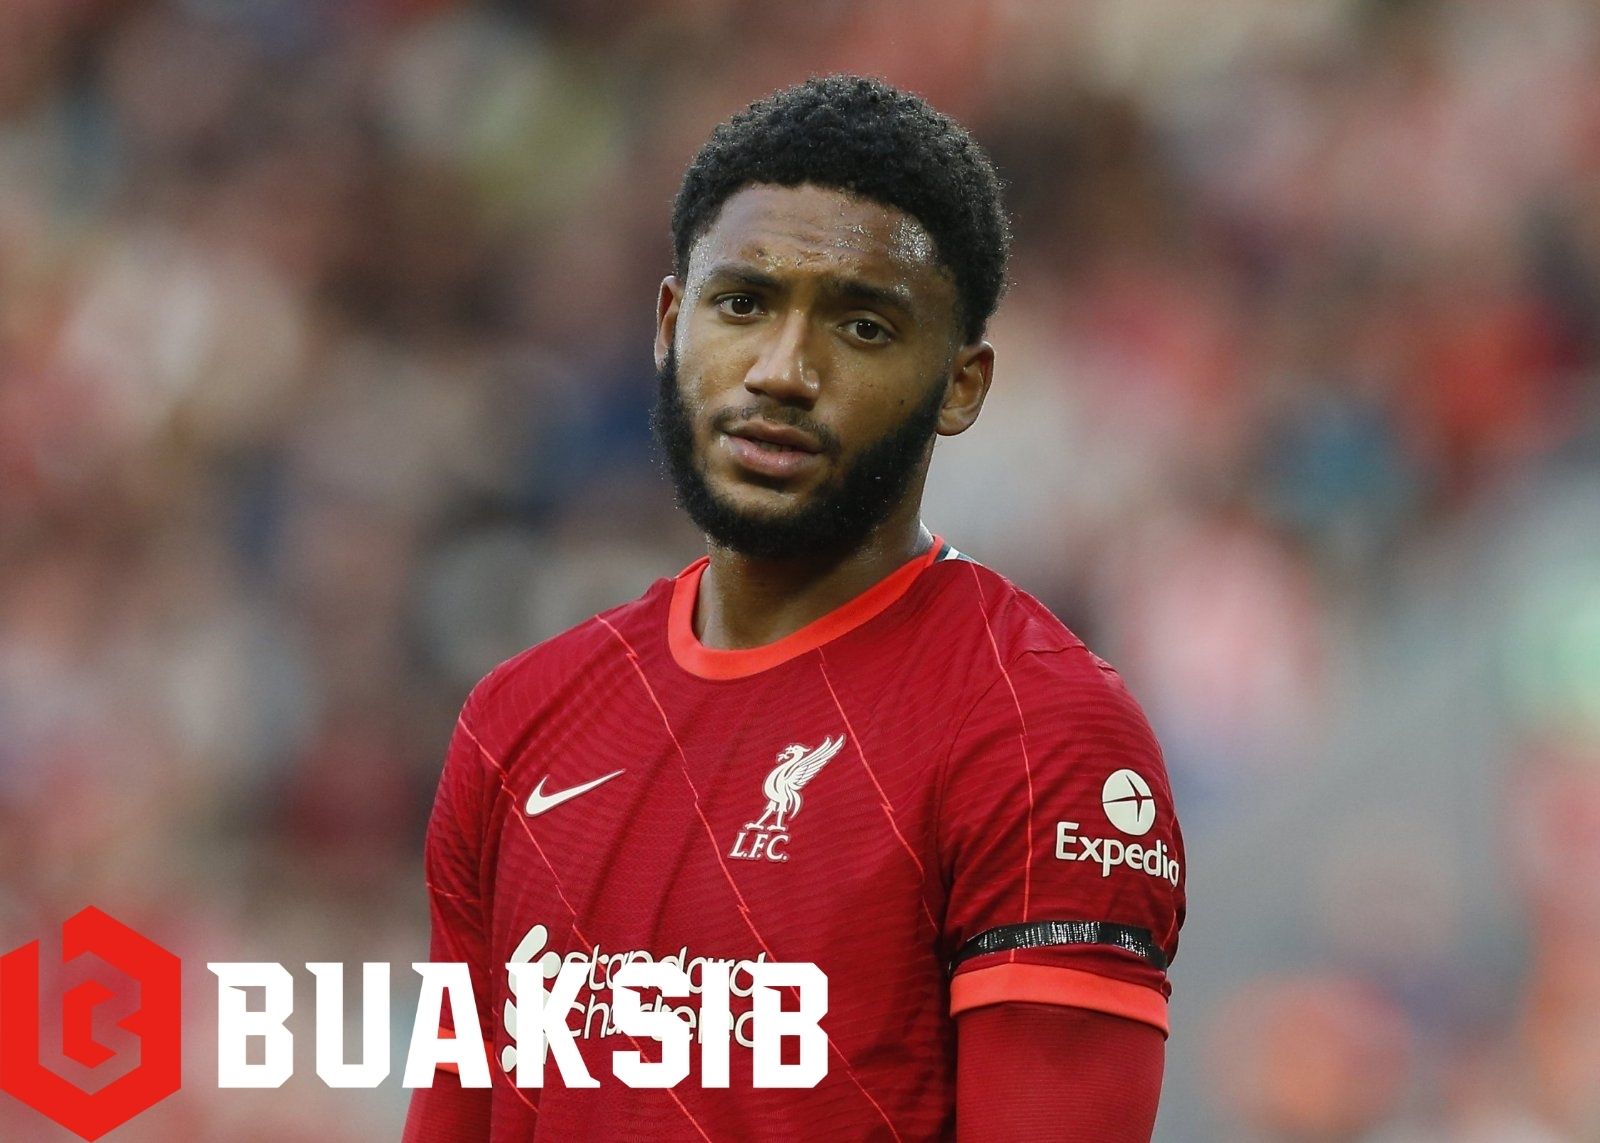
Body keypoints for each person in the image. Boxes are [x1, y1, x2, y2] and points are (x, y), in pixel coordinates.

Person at [404, 74, 1185, 1142]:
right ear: (670, 324)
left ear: (960, 385)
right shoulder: (518, 722)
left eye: (862, 326)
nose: (782, 370)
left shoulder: (1038, 736)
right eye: (743, 304)